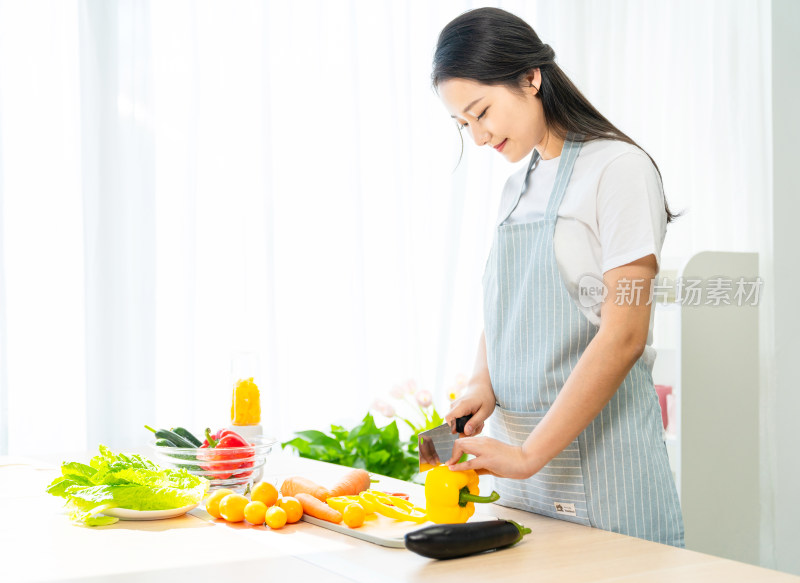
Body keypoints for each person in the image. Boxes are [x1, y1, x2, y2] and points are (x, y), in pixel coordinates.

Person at [433, 7, 685, 547]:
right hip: (523, 479)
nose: (478, 137)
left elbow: (624, 335)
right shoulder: (516, 186)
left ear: (530, 78)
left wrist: (528, 454)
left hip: (605, 471)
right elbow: (509, 306)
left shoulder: (618, 170)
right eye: (464, 125)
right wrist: (484, 380)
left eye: (482, 112)